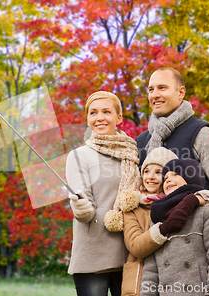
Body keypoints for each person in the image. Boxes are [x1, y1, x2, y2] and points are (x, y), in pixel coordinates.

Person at [136, 67, 209, 228]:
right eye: (151, 89)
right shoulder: (141, 141)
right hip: (148, 242)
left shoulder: (201, 132)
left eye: (162, 88)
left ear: (181, 92)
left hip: (191, 240)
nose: (155, 94)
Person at [119, 147, 209, 296]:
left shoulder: (206, 211)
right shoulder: (157, 217)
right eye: (166, 176)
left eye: (175, 174)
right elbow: (151, 269)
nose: (168, 178)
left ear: (191, 178)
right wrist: (166, 227)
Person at [66, 90, 141, 296]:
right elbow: (86, 212)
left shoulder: (132, 153)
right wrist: (80, 207)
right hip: (93, 253)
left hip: (130, 253)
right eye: (93, 113)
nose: (100, 117)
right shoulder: (79, 156)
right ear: (87, 119)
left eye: (106, 112)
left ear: (118, 117)